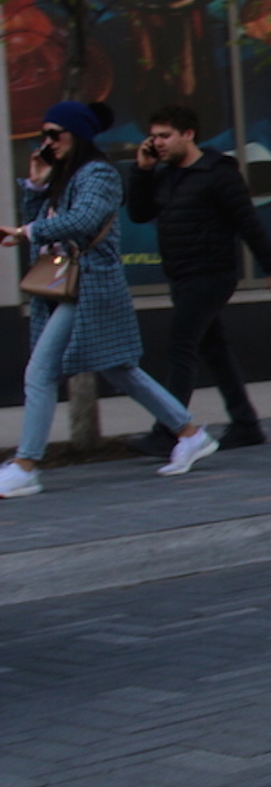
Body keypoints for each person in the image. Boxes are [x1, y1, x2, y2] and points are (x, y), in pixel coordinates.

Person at [0, 101, 218, 497]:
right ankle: (190, 433)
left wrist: (26, 232)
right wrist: (36, 185)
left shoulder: (99, 174)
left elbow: (83, 222)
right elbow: (47, 218)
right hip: (68, 285)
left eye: (55, 134)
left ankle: (26, 464)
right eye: (43, 135)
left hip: (89, 287)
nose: (47, 142)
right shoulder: (65, 175)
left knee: (41, 372)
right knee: (120, 368)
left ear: (77, 134)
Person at [130, 105, 271, 450]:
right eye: (154, 136)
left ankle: (169, 430)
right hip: (181, 274)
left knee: (180, 345)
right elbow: (140, 212)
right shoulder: (166, 175)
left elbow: (247, 221)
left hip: (211, 274)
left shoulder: (218, 171)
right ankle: (246, 423)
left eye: (165, 136)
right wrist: (143, 171)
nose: (157, 143)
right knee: (214, 349)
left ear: (188, 135)